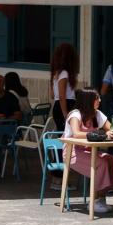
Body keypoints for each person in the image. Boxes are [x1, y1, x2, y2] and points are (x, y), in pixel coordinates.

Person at [63, 88, 113, 213]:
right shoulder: (75, 114)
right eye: (96, 98)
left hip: (90, 151)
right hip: (72, 153)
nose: (99, 100)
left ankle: (100, 198)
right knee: (101, 163)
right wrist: (99, 134)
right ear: (88, 100)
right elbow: (77, 134)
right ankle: (94, 201)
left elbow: (111, 128)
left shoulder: (97, 114)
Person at [49, 43, 79, 190]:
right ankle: (59, 179)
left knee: (63, 142)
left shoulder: (56, 73)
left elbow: (53, 94)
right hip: (64, 107)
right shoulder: (65, 74)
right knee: (64, 142)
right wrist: (66, 114)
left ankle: (58, 178)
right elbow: (62, 96)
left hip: (59, 106)